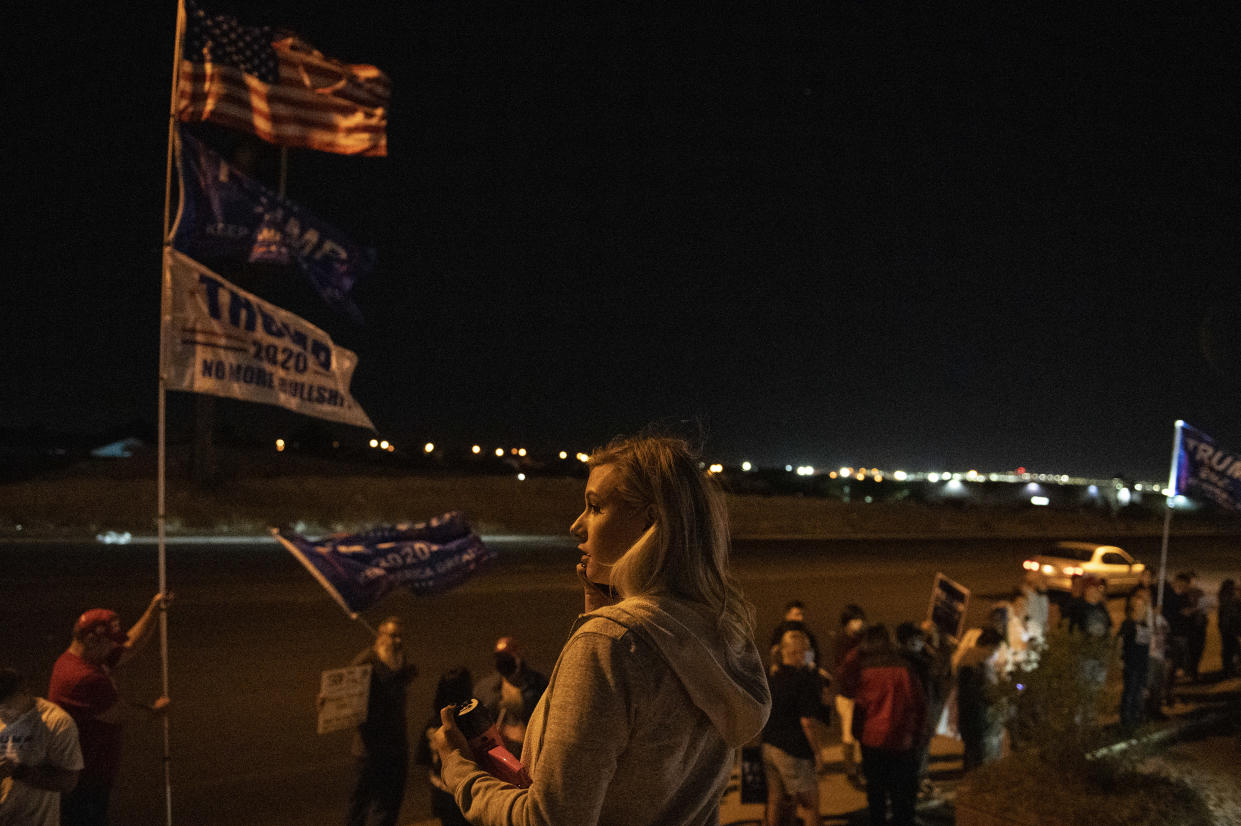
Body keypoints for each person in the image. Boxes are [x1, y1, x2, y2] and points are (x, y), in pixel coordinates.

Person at [432, 433, 771, 826]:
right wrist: (605, 612)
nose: (577, 526)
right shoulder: (718, 633)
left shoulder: (609, 645)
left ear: (650, 521)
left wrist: (460, 773)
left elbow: (549, 820)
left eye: (595, 507)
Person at [48, 596, 170, 826]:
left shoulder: (83, 659)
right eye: (110, 642)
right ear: (91, 640)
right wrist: (155, 711)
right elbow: (120, 712)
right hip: (84, 780)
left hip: (87, 774)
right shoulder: (82, 677)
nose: (115, 646)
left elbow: (129, 646)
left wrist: (153, 609)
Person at [839, 624, 926, 826]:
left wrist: (857, 732)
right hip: (901, 740)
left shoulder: (864, 670)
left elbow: (847, 689)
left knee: (876, 792)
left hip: (871, 739)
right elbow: (918, 703)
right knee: (901, 794)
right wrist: (919, 734)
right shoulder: (904, 668)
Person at [345, 616, 417, 826]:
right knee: (360, 803)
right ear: (380, 636)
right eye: (392, 636)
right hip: (369, 748)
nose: (397, 641)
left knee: (389, 804)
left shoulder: (400, 660)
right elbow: (342, 693)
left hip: (395, 747)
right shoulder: (366, 661)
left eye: (400, 637)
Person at [0, 668, 83, 826]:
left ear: (25, 692)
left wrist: (19, 772)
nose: (3, 715)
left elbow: (68, 782)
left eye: (8, 708)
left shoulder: (56, 723)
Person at [761, 628, 826, 826]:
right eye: (807, 650)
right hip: (793, 751)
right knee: (810, 806)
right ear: (797, 653)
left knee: (775, 800)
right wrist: (817, 752)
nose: (809, 654)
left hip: (770, 746)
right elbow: (807, 722)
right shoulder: (802, 680)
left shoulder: (771, 675)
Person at [415, 668, 474, 826]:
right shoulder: (469, 724)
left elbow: (423, 760)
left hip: (441, 794)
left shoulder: (433, 724)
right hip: (465, 794)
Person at [473, 637, 548, 757]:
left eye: (507, 656)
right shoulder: (485, 688)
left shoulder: (538, 684)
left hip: (529, 751)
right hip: (496, 754)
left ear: (518, 656)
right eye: (499, 657)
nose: (504, 661)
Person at [954, 628, 1004, 772]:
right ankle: (976, 782)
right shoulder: (983, 659)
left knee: (970, 748)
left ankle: (968, 780)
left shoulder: (965, 657)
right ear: (990, 645)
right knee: (978, 750)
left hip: (965, 707)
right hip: (978, 710)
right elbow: (988, 688)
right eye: (996, 647)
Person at [829, 603, 867, 783]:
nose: (858, 623)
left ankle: (857, 766)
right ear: (847, 623)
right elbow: (842, 671)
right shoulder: (843, 642)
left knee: (860, 732)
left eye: (860, 619)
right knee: (849, 733)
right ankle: (850, 770)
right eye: (854, 620)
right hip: (846, 695)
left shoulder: (861, 639)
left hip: (858, 693)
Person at [1117, 590, 1153, 729]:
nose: (1140, 608)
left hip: (1142, 664)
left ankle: (1135, 719)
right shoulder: (1128, 623)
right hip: (1131, 664)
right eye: (1137, 606)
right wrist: (1120, 659)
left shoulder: (1145, 625)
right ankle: (1126, 721)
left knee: (1139, 692)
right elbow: (1120, 642)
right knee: (1129, 692)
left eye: (1142, 606)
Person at [1217, 579, 1240, 679]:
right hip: (1230, 628)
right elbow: (1233, 615)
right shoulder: (1230, 599)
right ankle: (1229, 670)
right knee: (1232, 650)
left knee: (1228, 650)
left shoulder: (1224, 597)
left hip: (1226, 628)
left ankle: (1228, 670)